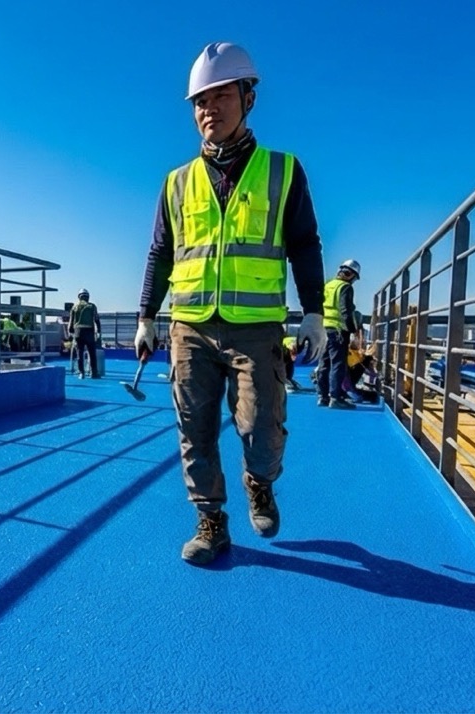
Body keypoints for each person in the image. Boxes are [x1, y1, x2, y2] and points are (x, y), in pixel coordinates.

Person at [134, 42, 327, 565]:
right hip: (190, 326)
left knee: (260, 429)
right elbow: (161, 251)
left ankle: (259, 482)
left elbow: (305, 243)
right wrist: (147, 317)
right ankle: (211, 522)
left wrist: (314, 313)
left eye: (221, 96)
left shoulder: (284, 171)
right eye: (199, 101)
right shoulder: (176, 182)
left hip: (257, 326)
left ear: (248, 98)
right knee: (193, 430)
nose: (208, 110)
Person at [317, 259, 362, 409]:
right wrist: (352, 330)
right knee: (338, 364)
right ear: (352, 276)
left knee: (324, 363)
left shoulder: (329, 285)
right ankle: (335, 398)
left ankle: (322, 396)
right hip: (338, 330)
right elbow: (345, 311)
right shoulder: (346, 287)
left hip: (325, 328)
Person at [68, 289, 102, 379]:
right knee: (92, 353)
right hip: (89, 331)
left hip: (78, 332)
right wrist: (98, 331)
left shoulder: (74, 307)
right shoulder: (92, 306)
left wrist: (71, 332)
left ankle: (81, 373)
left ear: (79, 297)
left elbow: (70, 322)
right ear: (88, 297)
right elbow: (97, 319)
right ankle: (93, 373)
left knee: (80, 353)